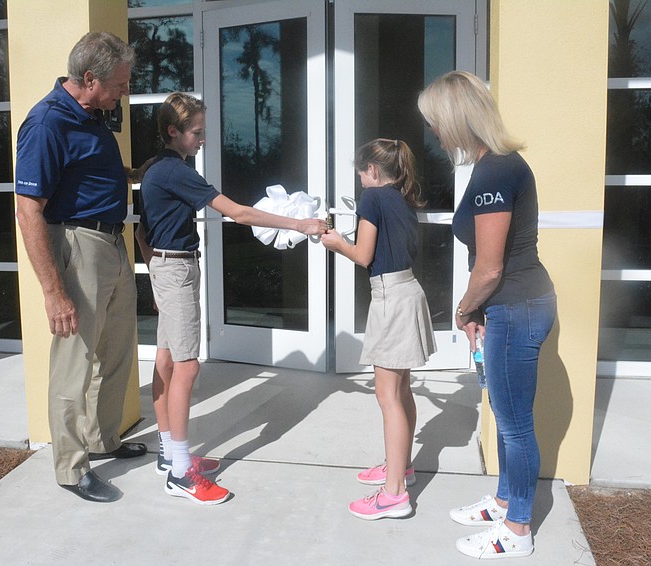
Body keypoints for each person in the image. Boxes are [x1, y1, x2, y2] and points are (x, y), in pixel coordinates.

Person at [135, 92, 327, 506]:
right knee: (186, 367)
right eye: (197, 133)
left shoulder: (155, 170)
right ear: (174, 132)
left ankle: (170, 454)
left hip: (166, 269)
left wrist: (155, 273)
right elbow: (239, 213)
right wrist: (300, 223)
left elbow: (141, 232)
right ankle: (182, 473)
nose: (203, 139)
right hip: (178, 271)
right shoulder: (175, 171)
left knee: (166, 362)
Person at [418, 70, 557, 559]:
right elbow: (488, 260)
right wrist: (480, 309)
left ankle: (517, 531)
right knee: (506, 415)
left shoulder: (498, 170)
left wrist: (465, 308)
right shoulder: (491, 167)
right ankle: (504, 502)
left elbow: (491, 265)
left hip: (517, 305)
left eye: (435, 121)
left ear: (456, 118)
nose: (434, 131)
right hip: (511, 304)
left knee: (515, 423)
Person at [14, 32, 147, 503]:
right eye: (119, 84)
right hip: (79, 244)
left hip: (112, 240)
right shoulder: (47, 123)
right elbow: (28, 209)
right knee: (75, 363)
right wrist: (55, 293)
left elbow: (86, 175)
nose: (123, 93)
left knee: (116, 350)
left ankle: (102, 439)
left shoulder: (92, 116)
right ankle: (71, 469)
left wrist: (135, 174)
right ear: (89, 79)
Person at [321, 138, 436, 520]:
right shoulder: (402, 199)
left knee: (388, 396)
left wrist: (335, 241)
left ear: (372, 170)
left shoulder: (372, 198)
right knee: (401, 390)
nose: (358, 177)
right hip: (408, 290)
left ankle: (394, 494)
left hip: (390, 298)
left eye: (360, 170)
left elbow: (363, 255)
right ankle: (400, 469)